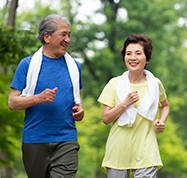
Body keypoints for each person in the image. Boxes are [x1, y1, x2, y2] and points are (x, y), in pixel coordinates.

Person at [8, 14, 84, 178]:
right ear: (47, 37)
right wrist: (37, 98)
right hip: (35, 140)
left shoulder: (74, 67)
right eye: (63, 34)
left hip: (66, 139)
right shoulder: (27, 65)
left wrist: (80, 110)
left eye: (69, 35)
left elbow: (77, 98)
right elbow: (12, 103)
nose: (68, 39)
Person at [98, 33, 170, 178]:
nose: (132, 58)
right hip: (118, 151)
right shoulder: (114, 84)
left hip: (146, 151)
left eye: (138, 53)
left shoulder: (155, 84)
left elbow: (165, 105)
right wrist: (124, 103)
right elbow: (106, 118)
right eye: (128, 53)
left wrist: (161, 121)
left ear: (147, 58)